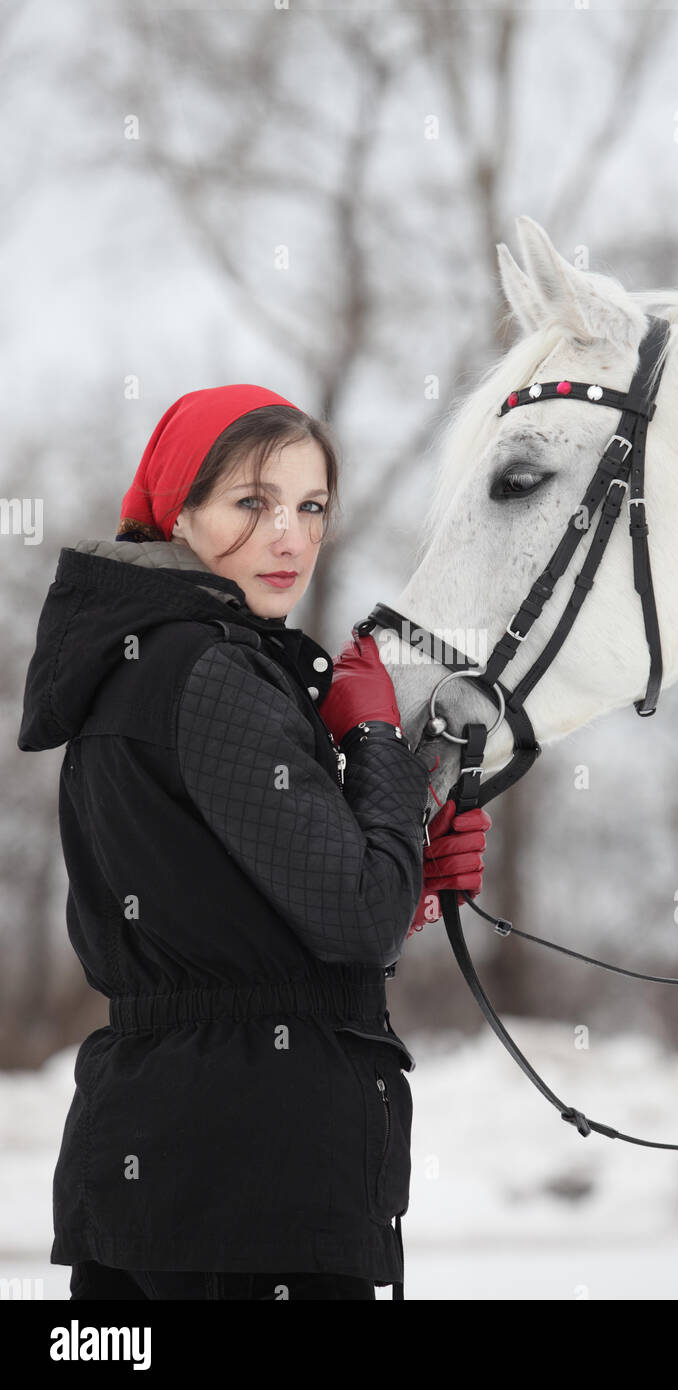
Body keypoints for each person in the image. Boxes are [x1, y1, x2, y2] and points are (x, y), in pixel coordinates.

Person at [17, 384, 491, 1301]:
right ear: (178, 511)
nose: (290, 537)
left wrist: (409, 869)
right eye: (252, 503)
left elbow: (254, 914)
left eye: (310, 507)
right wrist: (374, 742)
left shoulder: (146, 658)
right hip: (251, 1194)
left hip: (167, 1173)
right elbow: (357, 919)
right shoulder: (209, 670)